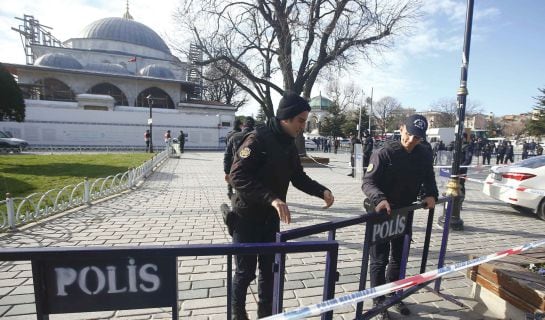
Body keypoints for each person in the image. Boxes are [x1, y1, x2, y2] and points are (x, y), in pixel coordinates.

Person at [229, 92, 335, 319]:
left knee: (269, 271)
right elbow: (237, 176)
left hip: (270, 219)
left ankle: (266, 314)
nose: (303, 126)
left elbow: (298, 176)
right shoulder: (257, 139)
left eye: (305, 121)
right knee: (245, 273)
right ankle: (237, 313)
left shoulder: (289, 143)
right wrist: (272, 198)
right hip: (246, 218)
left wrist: (321, 191)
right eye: (301, 120)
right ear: (285, 118)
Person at [362, 114, 438, 320]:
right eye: (409, 134)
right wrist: (379, 199)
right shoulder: (384, 152)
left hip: (404, 212)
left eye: (417, 138)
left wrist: (430, 194)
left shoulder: (423, 153)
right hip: (382, 212)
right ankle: (378, 302)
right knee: (379, 259)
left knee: (398, 257)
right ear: (402, 128)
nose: (412, 141)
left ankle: (394, 294)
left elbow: (428, 176)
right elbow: (368, 182)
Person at [223, 116, 255, 200]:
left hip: (235, 166)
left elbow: (227, 154)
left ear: (244, 125)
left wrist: (226, 171)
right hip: (252, 169)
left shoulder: (233, 136)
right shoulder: (256, 137)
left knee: (237, 187)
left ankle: (232, 194)